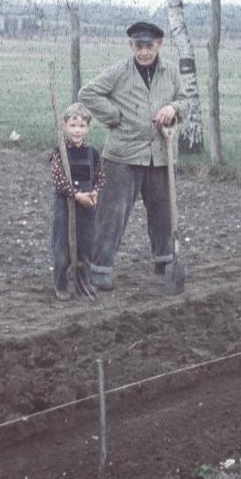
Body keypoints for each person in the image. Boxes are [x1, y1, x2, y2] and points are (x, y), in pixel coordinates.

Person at [78, 21, 187, 291]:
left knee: (163, 210)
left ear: (159, 45)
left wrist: (173, 108)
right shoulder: (119, 71)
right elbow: (87, 93)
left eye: (149, 46)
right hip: (122, 155)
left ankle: (165, 260)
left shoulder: (170, 71)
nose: (144, 52)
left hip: (159, 154)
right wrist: (113, 116)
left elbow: (186, 99)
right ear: (131, 46)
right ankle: (99, 268)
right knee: (112, 212)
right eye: (138, 46)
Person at [49, 102, 106, 301]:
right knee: (62, 245)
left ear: (87, 128)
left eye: (81, 126)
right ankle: (61, 284)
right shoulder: (60, 153)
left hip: (88, 204)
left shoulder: (93, 153)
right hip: (65, 204)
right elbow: (59, 180)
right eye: (73, 126)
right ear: (65, 126)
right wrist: (75, 195)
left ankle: (83, 283)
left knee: (86, 244)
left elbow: (100, 177)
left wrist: (94, 193)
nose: (77, 130)